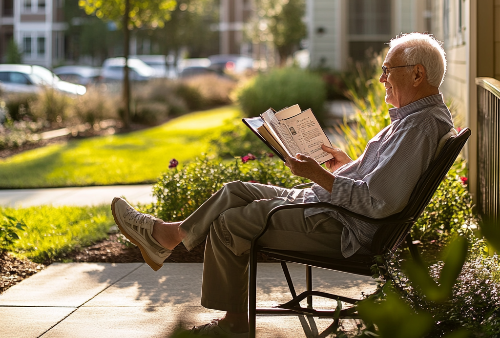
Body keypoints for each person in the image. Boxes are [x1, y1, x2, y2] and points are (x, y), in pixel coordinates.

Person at [111, 32, 454, 338]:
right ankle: (168, 236)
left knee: (232, 223)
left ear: (417, 73)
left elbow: (379, 201)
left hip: (342, 227)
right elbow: (378, 182)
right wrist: (344, 166)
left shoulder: (418, 127)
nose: (381, 79)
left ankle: (232, 321)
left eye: (387, 70)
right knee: (237, 190)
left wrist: (319, 175)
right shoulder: (413, 120)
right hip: (332, 209)